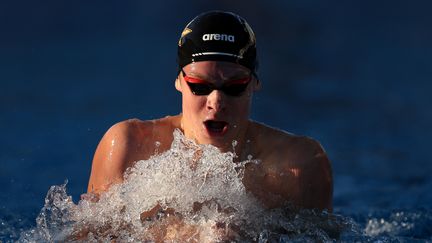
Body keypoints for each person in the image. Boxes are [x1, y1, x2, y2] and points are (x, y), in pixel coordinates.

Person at [87, 11, 333, 214]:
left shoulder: (299, 165)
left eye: (234, 87)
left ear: (254, 84)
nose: (216, 101)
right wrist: (178, 235)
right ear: (179, 82)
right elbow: (87, 236)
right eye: (200, 86)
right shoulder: (128, 148)